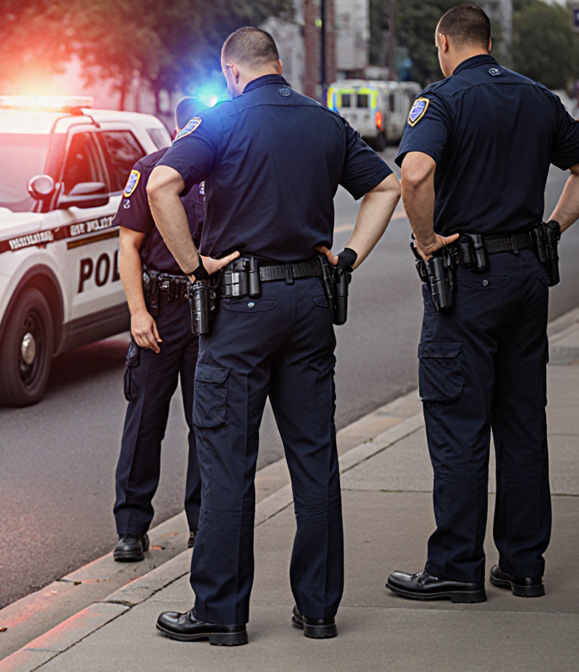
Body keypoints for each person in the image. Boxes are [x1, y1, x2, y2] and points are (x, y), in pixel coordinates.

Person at [147, 27, 401, 645]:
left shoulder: (222, 122)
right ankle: (317, 609)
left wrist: (191, 265)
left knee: (228, 461)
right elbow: (387, 184)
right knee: (313, 456)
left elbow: (160, 185)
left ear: (232, 73)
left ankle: (221, 613)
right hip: (312, 298)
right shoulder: (325, 122)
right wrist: (348, 258)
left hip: (240, 306)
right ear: (278, 65)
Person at [385, 4, 579, 604]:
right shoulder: (537, 97)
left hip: (467, 280)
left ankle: (457, 566)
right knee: (522, 421)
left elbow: (414, 174)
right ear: (489, 40)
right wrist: (552, 228)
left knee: (459, 422)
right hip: (527, 273)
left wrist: (428, 241)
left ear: (444, 44)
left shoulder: (443, 100)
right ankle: (524, 563)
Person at [112, 97, 207, 563]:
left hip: (208, 313)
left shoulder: (222, 171)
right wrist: (137, 312)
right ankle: (131, 528)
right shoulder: (150, 169)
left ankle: (203, 525)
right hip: (159, 313)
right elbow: (128, 248)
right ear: (178, 127)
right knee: (145, 421)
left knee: (206, 424)